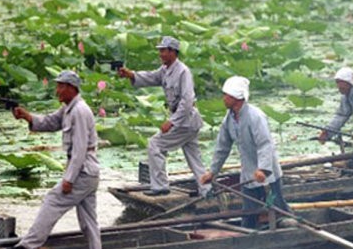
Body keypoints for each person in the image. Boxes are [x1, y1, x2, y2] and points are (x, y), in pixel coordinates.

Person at [6, 70, 102, 249]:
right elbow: (50, 122)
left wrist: (69, 179)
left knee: (53, 200)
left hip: (83, 172)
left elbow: (80, 150)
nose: (57, 90)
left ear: (71, 88)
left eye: (60, 86)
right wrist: (27, 116)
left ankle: (29, 244)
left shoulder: (80, 111)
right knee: (88, 220)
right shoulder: (68, 108)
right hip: (89, 173)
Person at [118, 36, 210, 197]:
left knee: (155, 144)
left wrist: (172, 122)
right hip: (187, 122)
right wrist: (131, 75)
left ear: (173, 52)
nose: (160, 54)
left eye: (163, 50)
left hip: (185, 121)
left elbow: (187, 101)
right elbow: (152, 77)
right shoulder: (165, 69)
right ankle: (207, 190)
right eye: (160, 50)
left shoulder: (183, 71)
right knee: (194, 159)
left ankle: (160, 186)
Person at [200, 76, 293, 229]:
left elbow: (265, 144)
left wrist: (263, 169)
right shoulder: (228, 119)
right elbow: (222, 147)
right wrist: (212, 172)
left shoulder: (256, 116)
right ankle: (251, 235)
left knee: (278, 210)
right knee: (249, 214)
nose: (223, 99)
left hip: (267, 175)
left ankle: (291, 231)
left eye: (226, 95)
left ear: (236, 98)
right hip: (248, 174)